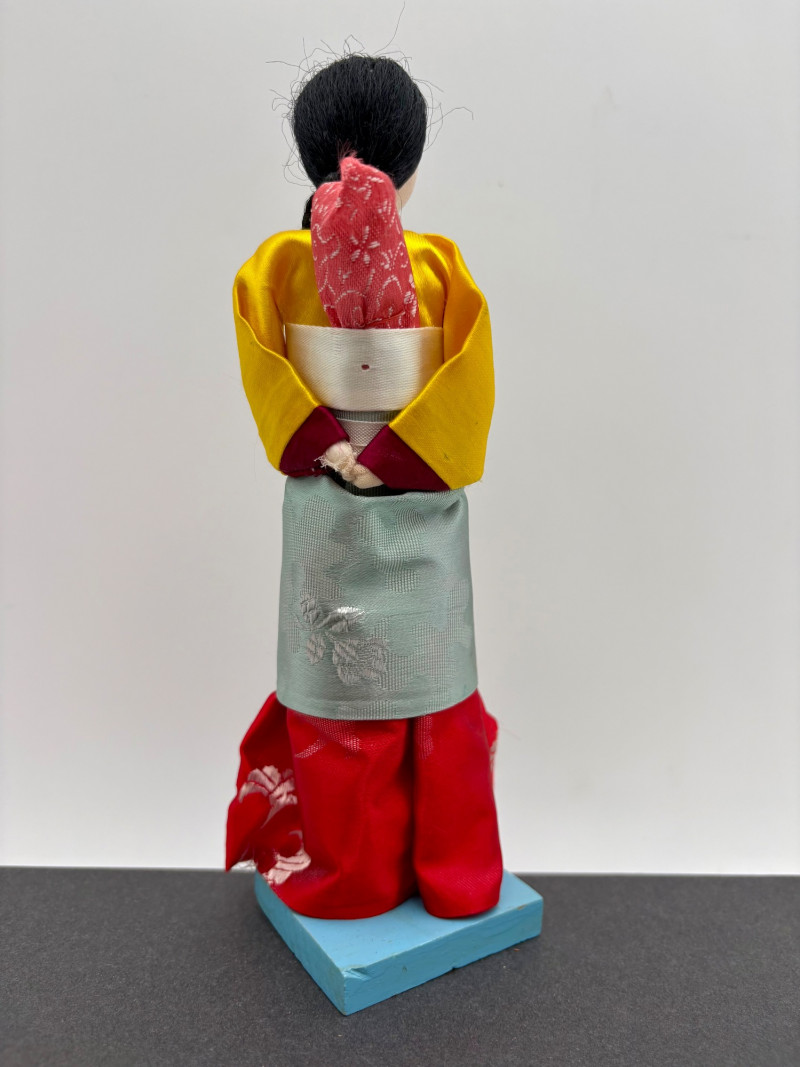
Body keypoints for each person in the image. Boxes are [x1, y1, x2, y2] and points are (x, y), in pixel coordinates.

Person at [226, 54, 503, 920]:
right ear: (413, 161)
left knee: (343, 707)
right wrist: (398, 454)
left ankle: (351, 878)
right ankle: (454, 877)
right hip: (418, 495)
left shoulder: (275, 265)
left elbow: (262, 367)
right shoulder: (441, 267)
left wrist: (326, 445)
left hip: (325, 493)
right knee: (434, 696)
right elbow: (468, 379)